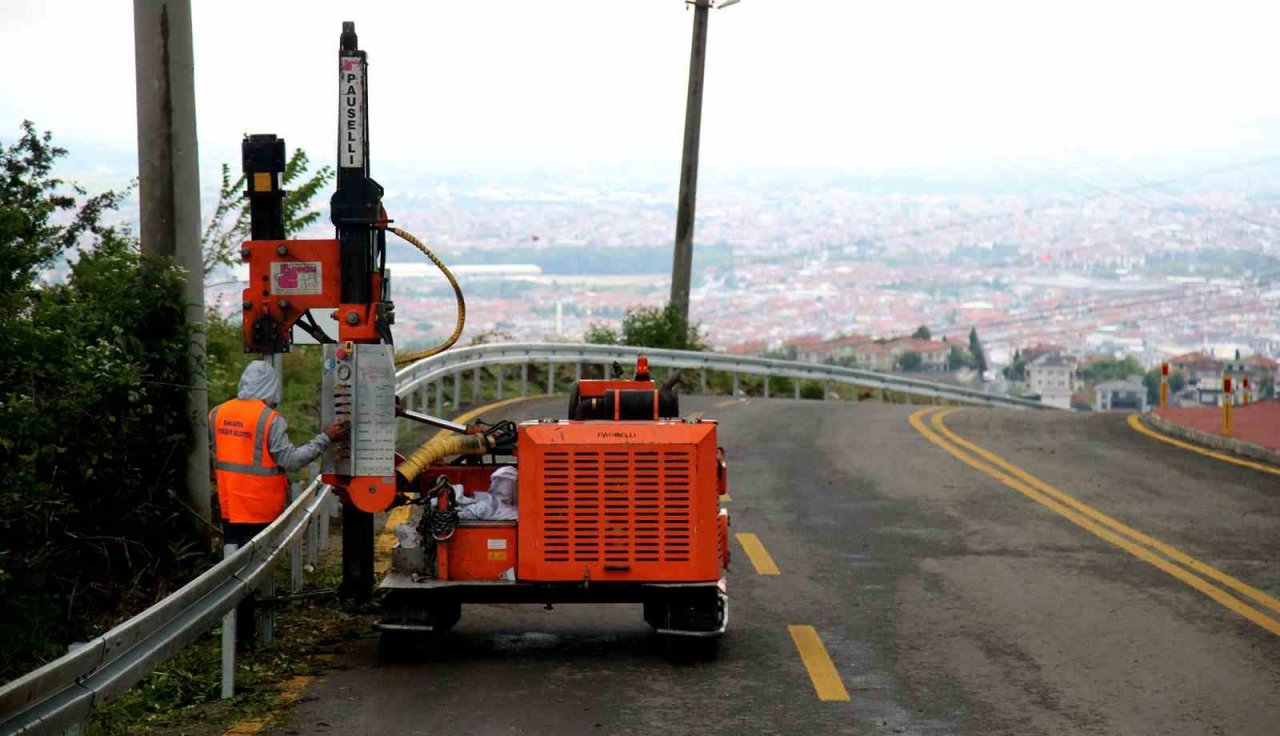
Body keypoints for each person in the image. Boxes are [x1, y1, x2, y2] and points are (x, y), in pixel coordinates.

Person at [209, 360, 348, 646]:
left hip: (229, 504)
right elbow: (291, 461)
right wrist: (325, 438)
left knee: (235, 571)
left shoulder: (217, 413)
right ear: (271, 388)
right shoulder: (269, 419)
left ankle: (237, 637)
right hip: (258, 507)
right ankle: (245, 640)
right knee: (251, 575)